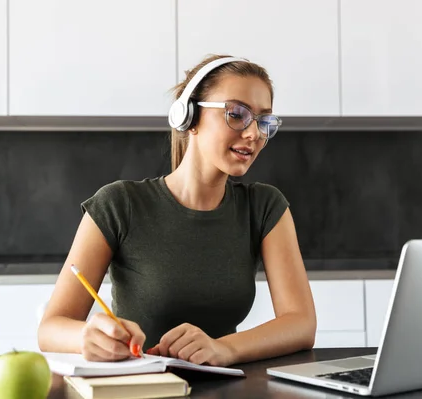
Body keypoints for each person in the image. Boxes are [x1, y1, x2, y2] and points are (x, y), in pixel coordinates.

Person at [38, 54, 317, 367]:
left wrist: (224, 349)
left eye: (263, 121)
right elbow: (51, 328)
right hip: (141, 388)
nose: (254, 134)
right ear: (189, 118)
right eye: (237, 114)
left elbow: (301, 323)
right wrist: (87, 335)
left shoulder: (265, 207)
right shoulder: (118, 204)